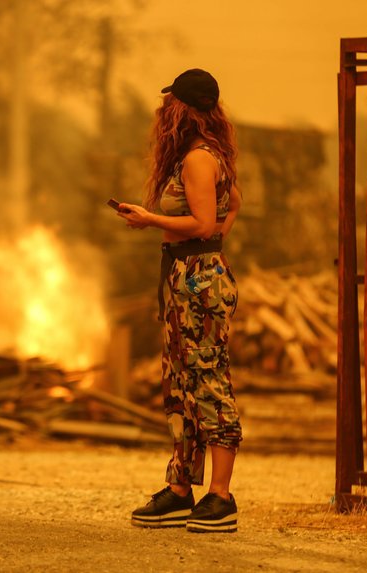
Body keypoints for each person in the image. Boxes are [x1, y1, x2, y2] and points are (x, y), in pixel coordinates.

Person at [116, 68, 243, 533]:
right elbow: (236, 203)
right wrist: (201, 249)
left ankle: (221, 497)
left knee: (207, 380)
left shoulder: (199, 160)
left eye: (169, 103)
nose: (163, 111)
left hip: (197, 282)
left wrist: (153, 221)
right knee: (180, 384)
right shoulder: (200, 157)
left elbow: (207, 222)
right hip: (185, 275)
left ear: (182, 109)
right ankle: (181, 488)